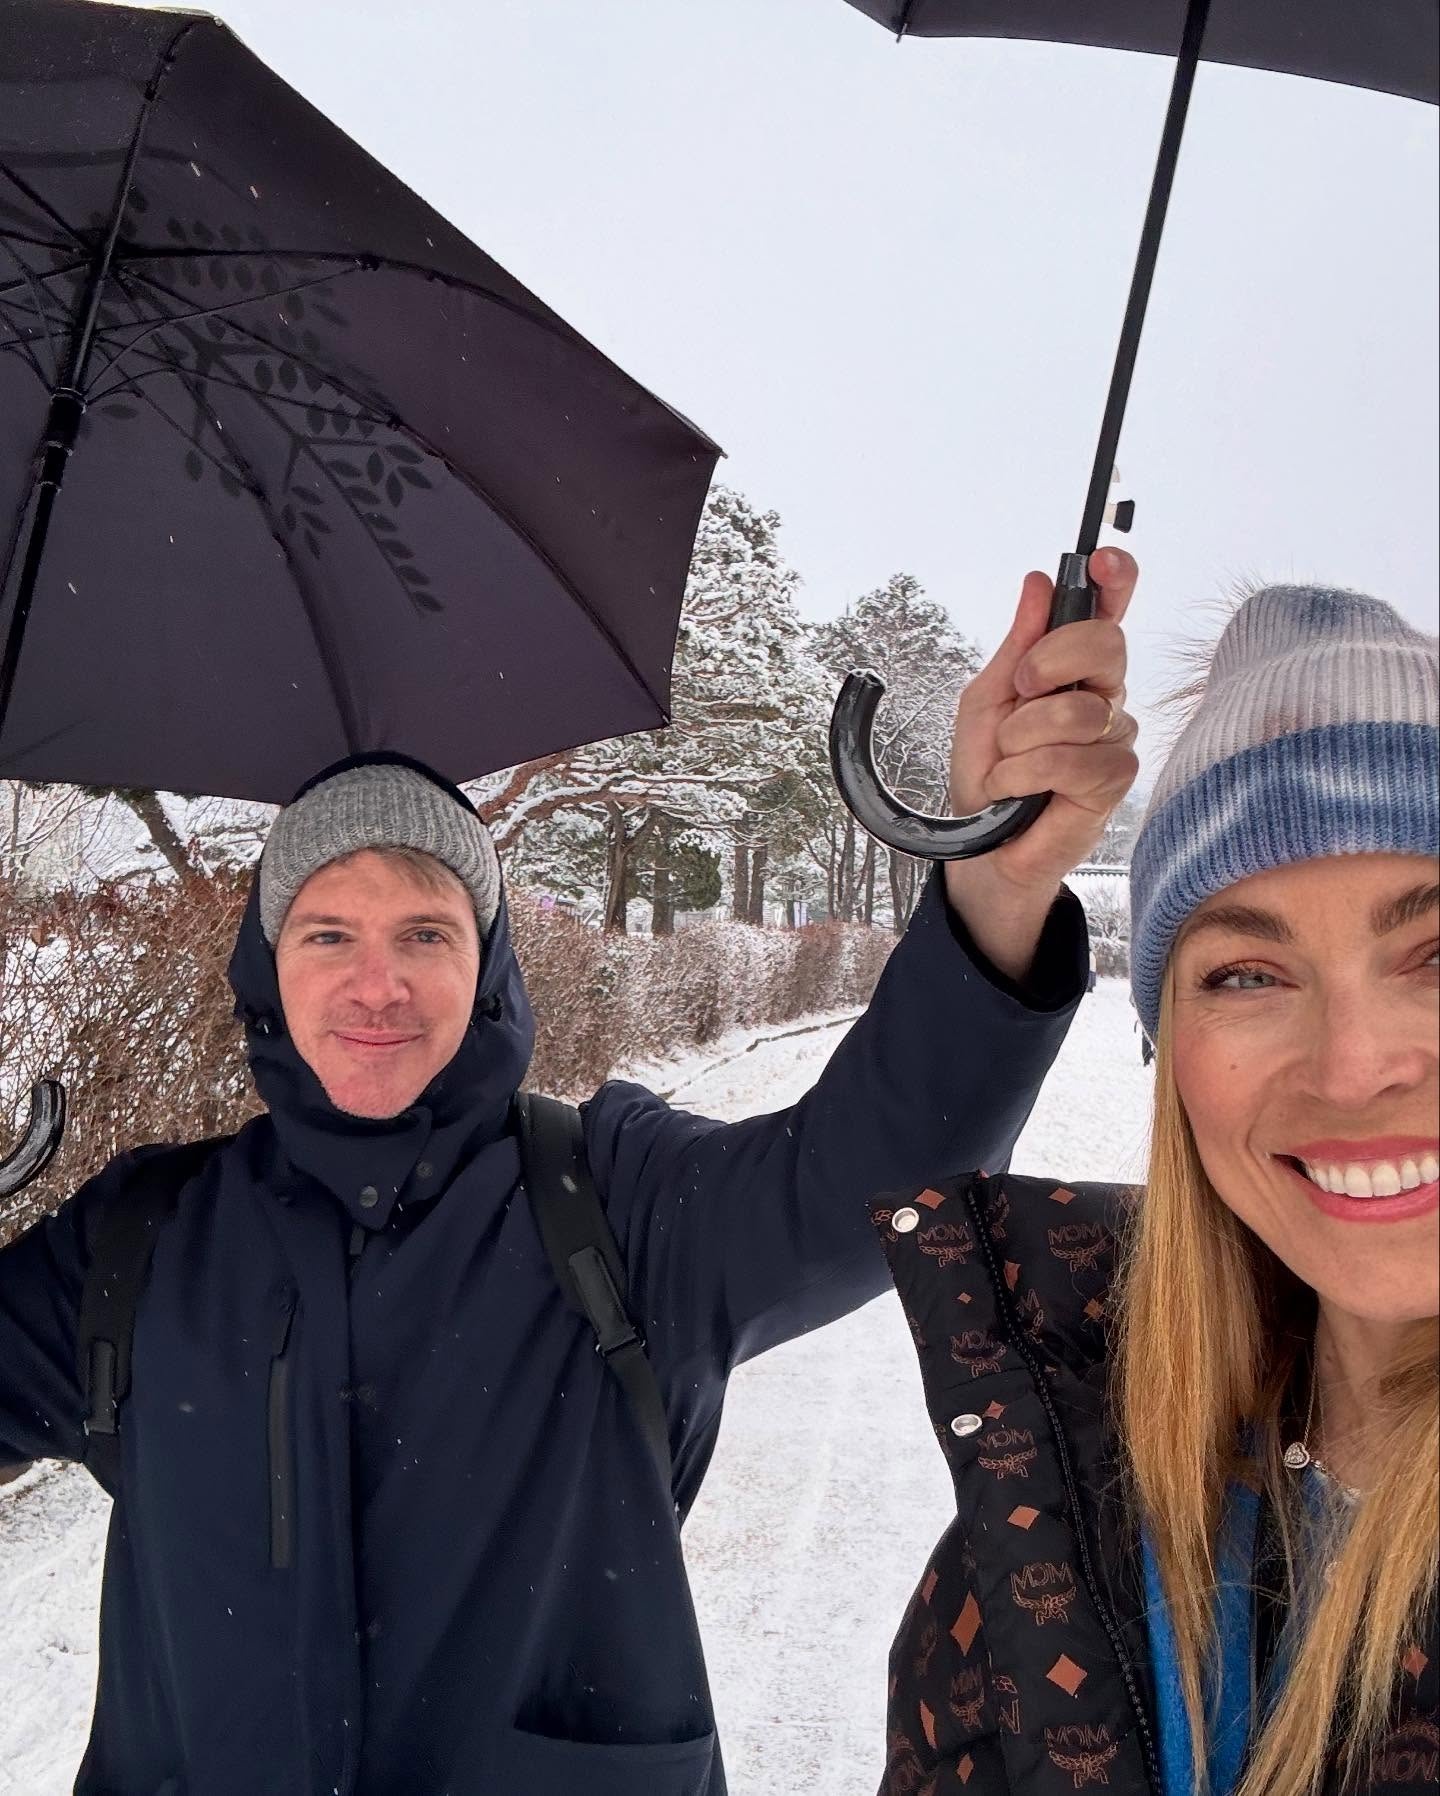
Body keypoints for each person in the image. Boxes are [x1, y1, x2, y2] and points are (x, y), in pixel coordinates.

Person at [0, 554, 1138, 1796]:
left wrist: (995, 883)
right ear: (269, 965)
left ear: (487, 964)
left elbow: (868, 1175)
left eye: (425, 931)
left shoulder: (608, 1200)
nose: (377, 983)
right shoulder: (143, 1234)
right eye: (328, 933)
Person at [877, 584, 1438, 1796]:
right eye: (1247, 973)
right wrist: (996, 893)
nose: (1353, 1067)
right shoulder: (1043, 1528)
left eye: (1436, 952)